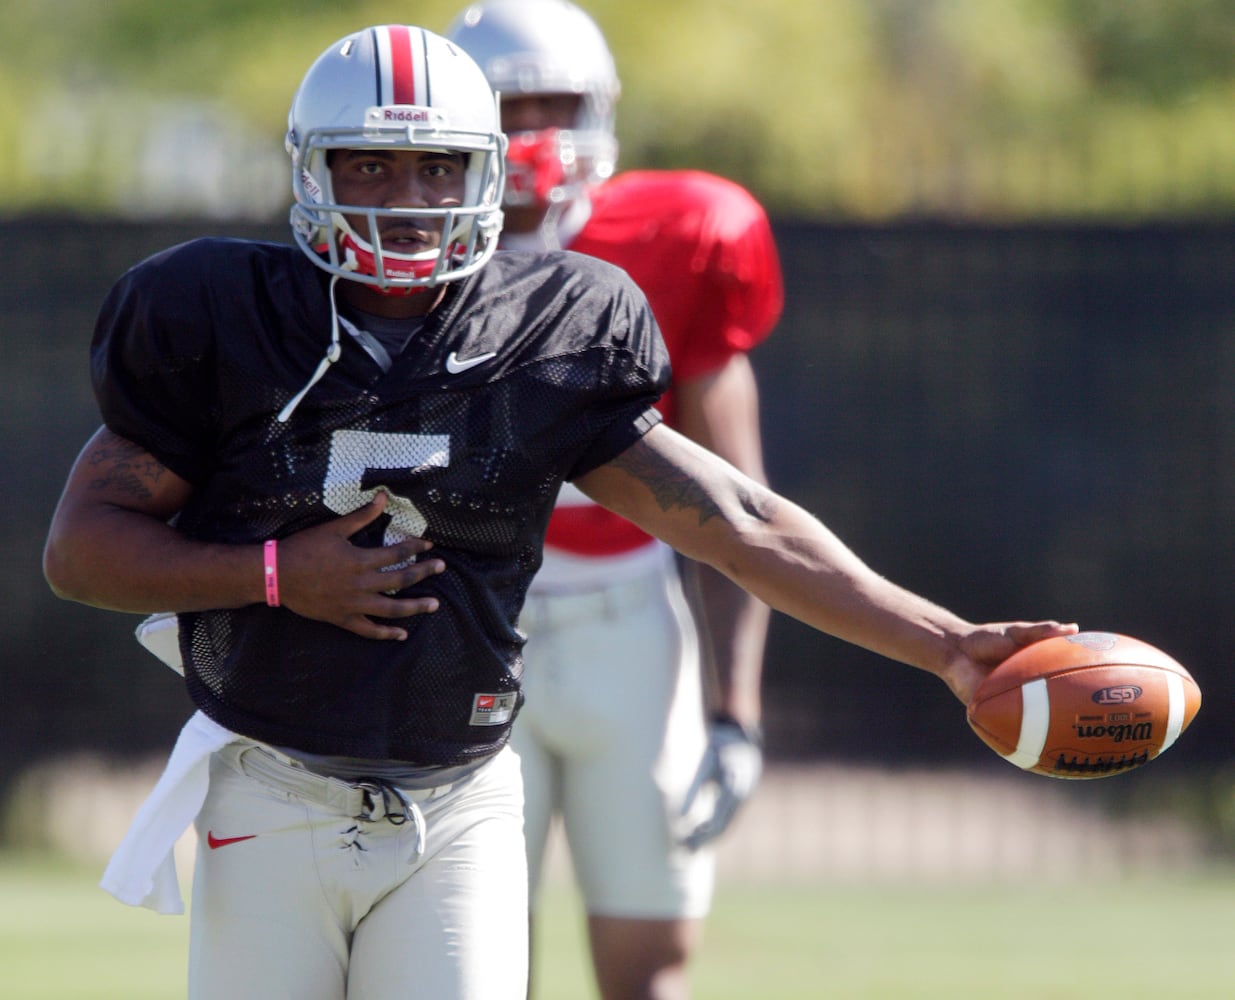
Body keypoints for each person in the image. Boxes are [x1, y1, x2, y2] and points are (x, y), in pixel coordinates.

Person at [43, 22, 1076, 1000]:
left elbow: (741, 523)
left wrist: (945, 644)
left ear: (481, 173)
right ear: (313, 171)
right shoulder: (214, 311)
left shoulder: (556, 324)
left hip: (458, 803)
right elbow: (81, 551)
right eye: (370, 165)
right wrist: (274, 575)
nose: (408, 196)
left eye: (438, 166)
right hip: (269, 787)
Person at [445, 3, 780, 997]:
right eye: (511, 108)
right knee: (464, 964)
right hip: (467, 620)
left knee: (649, 970)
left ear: (603, 112)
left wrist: (735, 712)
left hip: (628, 622)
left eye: (559, 106)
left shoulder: (684, 235)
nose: (537, 137)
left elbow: (738, 505)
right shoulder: (411, 249)